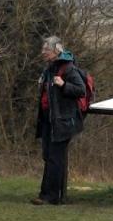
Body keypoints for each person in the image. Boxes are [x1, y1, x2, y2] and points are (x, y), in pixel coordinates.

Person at [34, 35, 85, 205]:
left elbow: (80, 90)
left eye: (46, 50)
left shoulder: (68, 68)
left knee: (55, 158)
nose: (43, 52)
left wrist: (63, 85)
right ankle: (46, 194)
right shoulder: (49, 69)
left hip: (62, 121)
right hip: (50, 119)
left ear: (57, 50)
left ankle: (52, 196)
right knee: (49, 156)